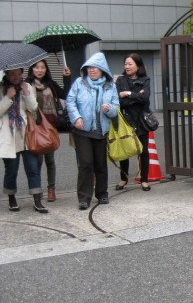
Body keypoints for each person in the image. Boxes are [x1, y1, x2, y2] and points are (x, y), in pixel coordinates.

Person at [66, 52, 119, 210]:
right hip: (82, 130)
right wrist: (76, 118)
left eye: (95, 68)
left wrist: (109, 109)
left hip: (101, 131)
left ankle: (102, 193)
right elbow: (70, 101)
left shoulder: (111, 86)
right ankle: (84, 198)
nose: (91, 70)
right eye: (89, 68)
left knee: (100, 164)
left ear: (103, 70)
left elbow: (116, 108)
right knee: (85, 163)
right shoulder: (79, 83)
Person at [0, 68, 48, 213]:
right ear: (7, 75)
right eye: (13, 74)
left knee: (33, 168)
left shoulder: (26, 86)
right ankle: (12, 198)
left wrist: (26, 93)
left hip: (27, 135)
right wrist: (8, 97)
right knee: (11, 170)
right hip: (9, 137)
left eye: (19, 73)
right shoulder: (2, 89)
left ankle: (37, 200)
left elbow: (33, 108)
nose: (16, 77)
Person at [25, 60, 72, 202]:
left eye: (42, 67)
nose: (40, 70)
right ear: (32, 69)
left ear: (46, 69)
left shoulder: (51, 84)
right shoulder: (27, 85)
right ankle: (37, 190)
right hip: (35, 125)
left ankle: (51, 189)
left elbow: (66, 94)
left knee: (50, 160)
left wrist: (67, 78)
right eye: (37, 67)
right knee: (36, 160)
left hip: (50, 126)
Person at [114, 53, 152, 191]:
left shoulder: (145, 79)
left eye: (130, 64)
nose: (127, 66)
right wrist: (137, 96)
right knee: (125, 150)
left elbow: (145, 97)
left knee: (144, 151)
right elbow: (119, 101)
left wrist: (128, 94)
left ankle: (144, 180)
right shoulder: (120, 80)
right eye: (126, 64)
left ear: (138, 65)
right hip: (126, 120)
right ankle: (123, 179)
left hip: (141, 120)